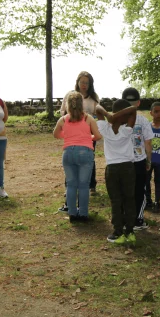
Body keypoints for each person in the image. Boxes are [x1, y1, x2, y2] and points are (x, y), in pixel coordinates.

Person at [53, 91, 103, 222]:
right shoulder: (88, 118)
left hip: (68, 153)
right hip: (85, 152)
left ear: (68, 105)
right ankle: (83, 213)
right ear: (82, 105)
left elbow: (56, 134)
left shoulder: (63, 119)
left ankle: (72, 213)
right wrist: (88, 137)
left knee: (71, 184)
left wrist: (69, 137)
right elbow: (98, 136)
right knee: (83, 185)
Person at [96, 101, 138, 244]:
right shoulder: (127, 130)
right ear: (126, 117)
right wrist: (117, 116)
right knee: (129, 199)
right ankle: (130, 231)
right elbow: (133, 109)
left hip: (112, 169)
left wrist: (109, 116)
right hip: (128, 168)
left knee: (116, 201)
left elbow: (97, 108)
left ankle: (118, 232)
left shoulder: (105, 129)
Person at [121, 88, 154, 230]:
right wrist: (148, 160)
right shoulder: (143, 120)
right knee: (140, 189)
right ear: (138, 103)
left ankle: (124, 218)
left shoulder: (117, 120)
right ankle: (138, 220)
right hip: (139, 160)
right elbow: (148, 142)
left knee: (124, 190)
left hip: (122, 160)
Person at [145, 101, 160, 213]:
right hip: (149, 160)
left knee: (159, 181)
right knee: (146, 180)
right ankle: (148, 200)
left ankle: (157, 201)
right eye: (156, 111)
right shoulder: (147, 128)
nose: (158, 114)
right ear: (151, 113)